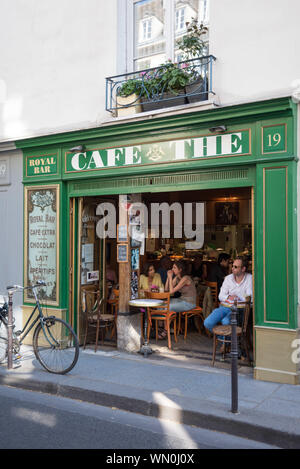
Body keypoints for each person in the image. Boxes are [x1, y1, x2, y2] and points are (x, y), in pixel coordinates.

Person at [204, 256, 252, 333]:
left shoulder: (250, 279)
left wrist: (236, 298)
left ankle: (226, 343)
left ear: (243, 269)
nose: (232, 268)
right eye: (232, 266)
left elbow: (250, 298)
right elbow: (220, 296)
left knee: (226, 323)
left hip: (240, 309)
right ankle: (225, 340)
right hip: (224, 307)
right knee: (207, 323)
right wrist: (229, 296)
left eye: (235, 267)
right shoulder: (228, 278)